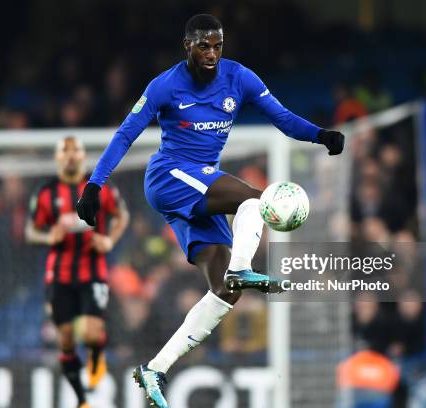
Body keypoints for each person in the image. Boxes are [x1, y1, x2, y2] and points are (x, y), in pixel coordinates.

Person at [76, 14, 344, 408]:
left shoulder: (240, 78)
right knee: (255, 198)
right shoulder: (164, 86)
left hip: (201, 184)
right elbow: (125, 134)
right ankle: (242, 266)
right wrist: (94, 184)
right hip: (170, 176)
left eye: (218, 45)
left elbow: (283, 119)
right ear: (187, 45)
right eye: (204, 45)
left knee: (225, 292)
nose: (212, 54)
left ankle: (155, 368)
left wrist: (320, 135)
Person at [26, 136, 129, 408]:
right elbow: (30, 231)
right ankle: (82, 400)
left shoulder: (99, 187)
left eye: (76, 151)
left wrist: (109, 241)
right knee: (66, 339)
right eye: (65, 151)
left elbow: (122, 216)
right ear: (58, 157)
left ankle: (96, 355)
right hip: (58, 275)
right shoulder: (46, 192)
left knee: (93, 332)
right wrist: (49, 236)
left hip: (93, 269)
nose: (71, 156)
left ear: (83, 156)